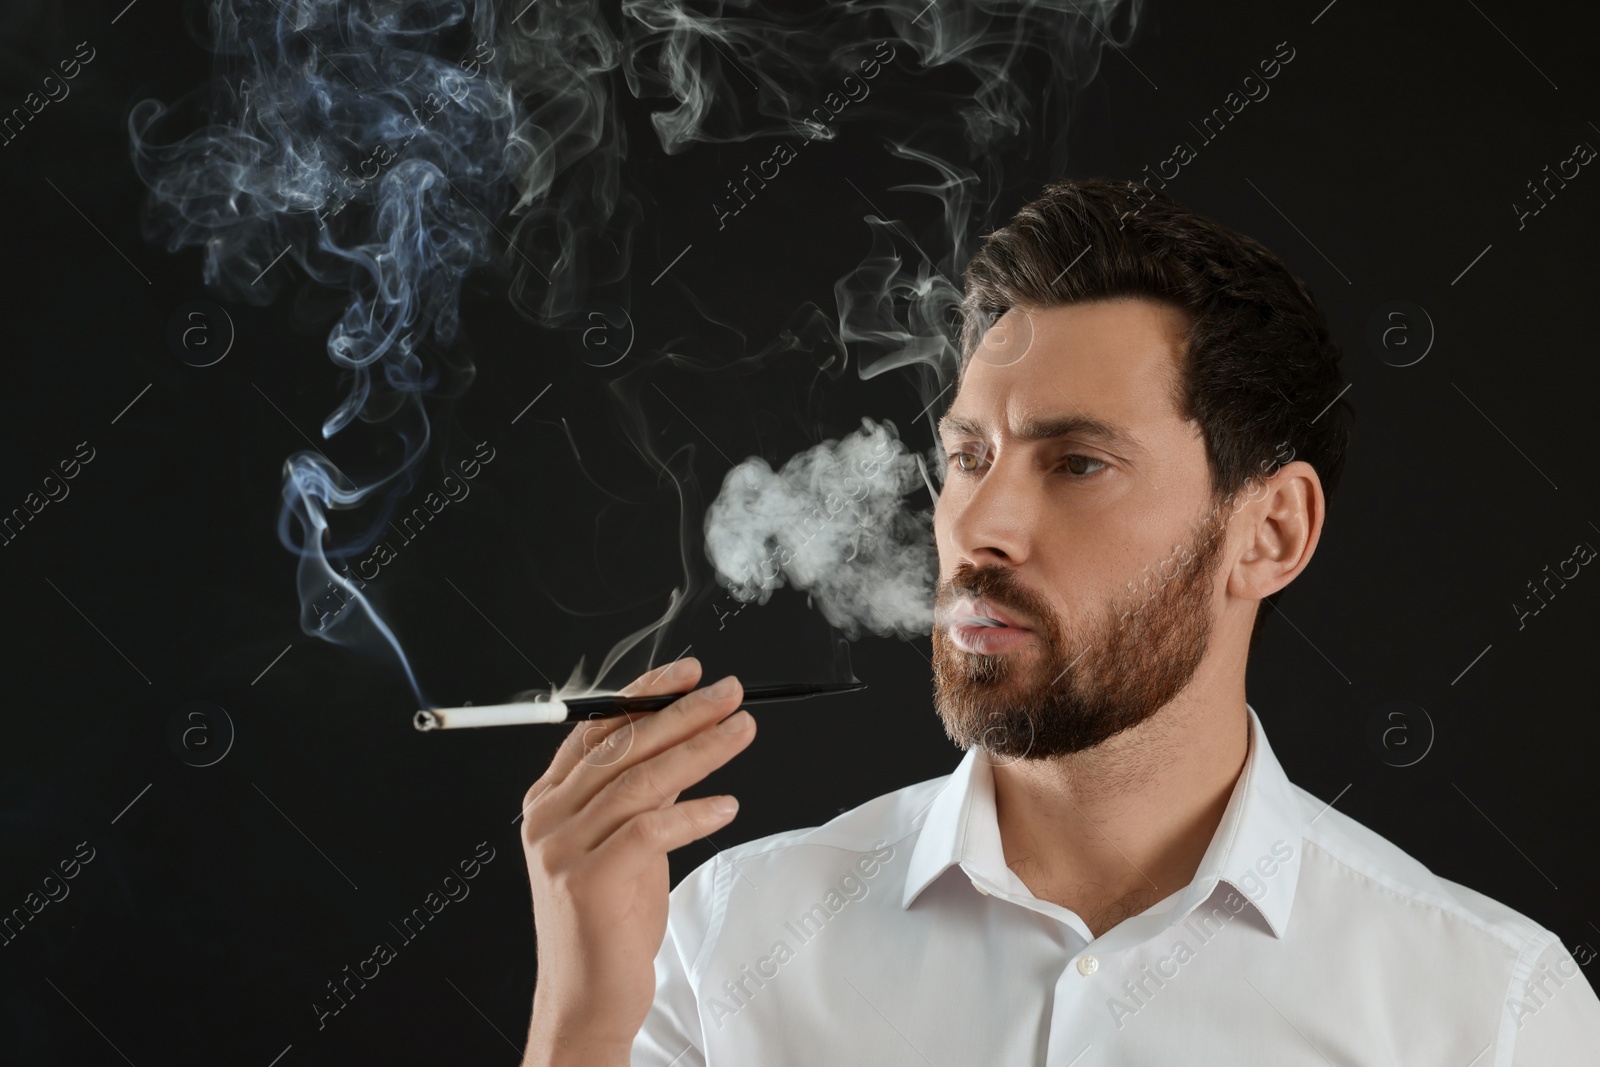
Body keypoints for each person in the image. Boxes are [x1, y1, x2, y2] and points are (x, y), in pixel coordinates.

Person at [516, 179, 1600, 1065]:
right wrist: (579, 1020)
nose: (979, 526)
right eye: (968, 457)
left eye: (1077, 463)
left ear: (1268, 531)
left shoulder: (1486, 1008)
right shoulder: (722, 941)